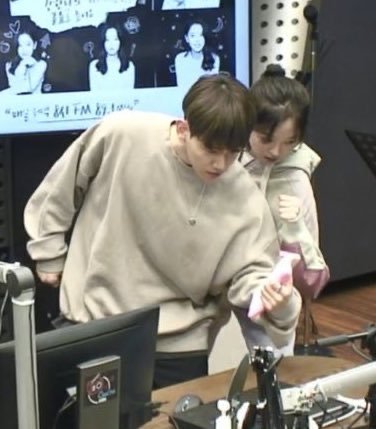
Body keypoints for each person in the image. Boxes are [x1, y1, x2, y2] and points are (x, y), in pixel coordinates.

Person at [23, 73, 302, 388]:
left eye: (232, 153)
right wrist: (47, 250)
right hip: (93, 319)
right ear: (184, 129)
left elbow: (252, 272)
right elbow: (61, 186)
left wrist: (272, 297)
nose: (220, 164)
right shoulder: (122, 134)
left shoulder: (244, 196)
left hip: (179, 342)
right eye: (211, 149)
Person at [231, 64, 330, 356]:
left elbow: (312, 279)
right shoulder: (227, 158)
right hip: (220, 295)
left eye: (289, 142)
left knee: (270, 370)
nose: (275, 151)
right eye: (265, 139)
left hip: (268, 308)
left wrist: (296, 229)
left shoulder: (295, 181)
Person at [174, 20, 220, 93]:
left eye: (201, 35)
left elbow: (212, 90)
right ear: (187, 38)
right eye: (193, 36)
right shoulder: (180, 59)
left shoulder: (214, 58)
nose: (197, 40)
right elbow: (181, 88)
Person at [89, 24, 135, 91]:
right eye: (107, 40)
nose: (111, 44)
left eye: (115, 39)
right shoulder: (94, 66)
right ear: (103, 42)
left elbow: (129, 93)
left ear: (120, 41)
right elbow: (94, 92)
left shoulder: (129, 66)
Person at [3, 30, 47, 95]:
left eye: (28, 45)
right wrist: (22, 65)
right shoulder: (9, 65)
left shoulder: (41, 64)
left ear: (34, 45)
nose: (24, 49)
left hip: (35, 100)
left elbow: (28, 88)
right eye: (20, 45)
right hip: (15, 100)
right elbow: (15, 87)